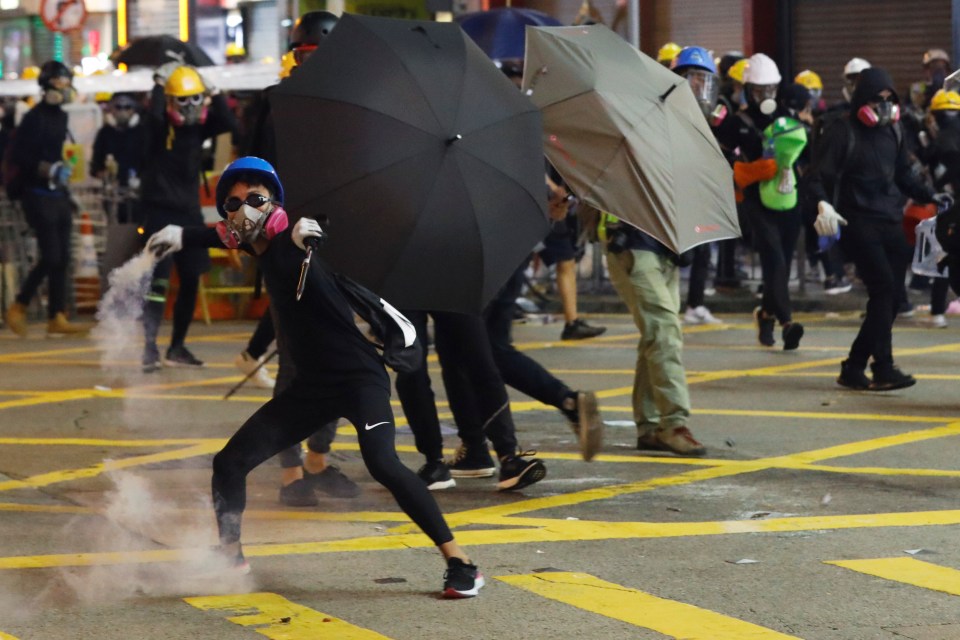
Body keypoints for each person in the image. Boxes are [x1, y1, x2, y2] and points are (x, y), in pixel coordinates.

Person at [146, 157, 484, 597]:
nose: (243, 208)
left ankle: (461, 563)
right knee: (229, 463)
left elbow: (310, 234)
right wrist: (180, 235)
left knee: (383, 462)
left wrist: (307, 235)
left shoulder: (293, 240)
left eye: (255, 199)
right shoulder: (253, 244)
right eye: (233, 201)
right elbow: (220, 234)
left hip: (360, 379)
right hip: (310, 389)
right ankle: (230, 555)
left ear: (274, 205)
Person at [807, 67, 950, 391]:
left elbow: (903, 175)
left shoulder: (894, 132)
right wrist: (822, 204)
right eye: (877, 99)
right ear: (861, 100)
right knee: (884, 290)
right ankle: (869, 366)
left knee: (890, 297)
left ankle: (868, 366)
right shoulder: (842, 131)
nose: (884, 105)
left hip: (889, 221)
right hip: (856, 222)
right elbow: (815, 176)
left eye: (889, 99)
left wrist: (930, 195)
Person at [139, 63, 237, 371]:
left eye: (196, 98)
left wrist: (216, 91)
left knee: (192, 279)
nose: (191, 106)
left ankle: (177, 347)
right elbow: (154, 117)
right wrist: (158, 84)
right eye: (183, 100)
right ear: (169, 101)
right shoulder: (157, 130)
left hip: (190, 214)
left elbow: (230, 122)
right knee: (158, 283)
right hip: (160, 212)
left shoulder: (197, 130)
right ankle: (149, 349)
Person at [717, 53, 805, 351]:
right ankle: (788, 322)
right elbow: (720, 158)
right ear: (747, 89)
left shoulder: (788, 117)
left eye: (770, 89)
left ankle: (766, 314)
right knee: (774, 259)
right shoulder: (736, 122)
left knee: (781, 261)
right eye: (759, 90)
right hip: (754, 199)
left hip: (787, 196)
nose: (765, 96)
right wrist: (743, 171)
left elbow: (804, 156)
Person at [602, 215, 706, 457]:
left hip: (669, 248)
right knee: (664, 332)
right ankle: (673, 424)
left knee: (656, 335)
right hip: (634, 245)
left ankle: (649, 426)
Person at [3, 60, 91, 338]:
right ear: (46, 85)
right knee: (51, 255)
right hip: (36, 194)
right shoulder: (33, 117)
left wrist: (62, 171)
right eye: (59, 82)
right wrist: (46, 168)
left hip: (57, 193)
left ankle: (57, 315)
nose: (64, 88)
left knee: (62, 257)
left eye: (66, 82)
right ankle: (19, 304)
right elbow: (20, 156)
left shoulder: (61, 117)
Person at [672, 45, 723, 325]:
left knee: (703, 248)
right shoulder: (667, 112)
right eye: (695, 78)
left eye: (706, 80)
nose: (701, 85)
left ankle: (695, 304)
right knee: (678, 254)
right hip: (673, 193)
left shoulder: (707, 117)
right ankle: (670, 305)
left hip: (699, 190)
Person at [91, 92, 146, 224]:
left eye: (127, 107)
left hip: (139, 195)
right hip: (113, 196)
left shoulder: (143, 132)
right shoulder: (105, 133)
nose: (122, 111)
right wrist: (103, 174)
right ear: (111, 109)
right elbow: (95, 164)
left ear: (134, 110)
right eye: (118, 107)